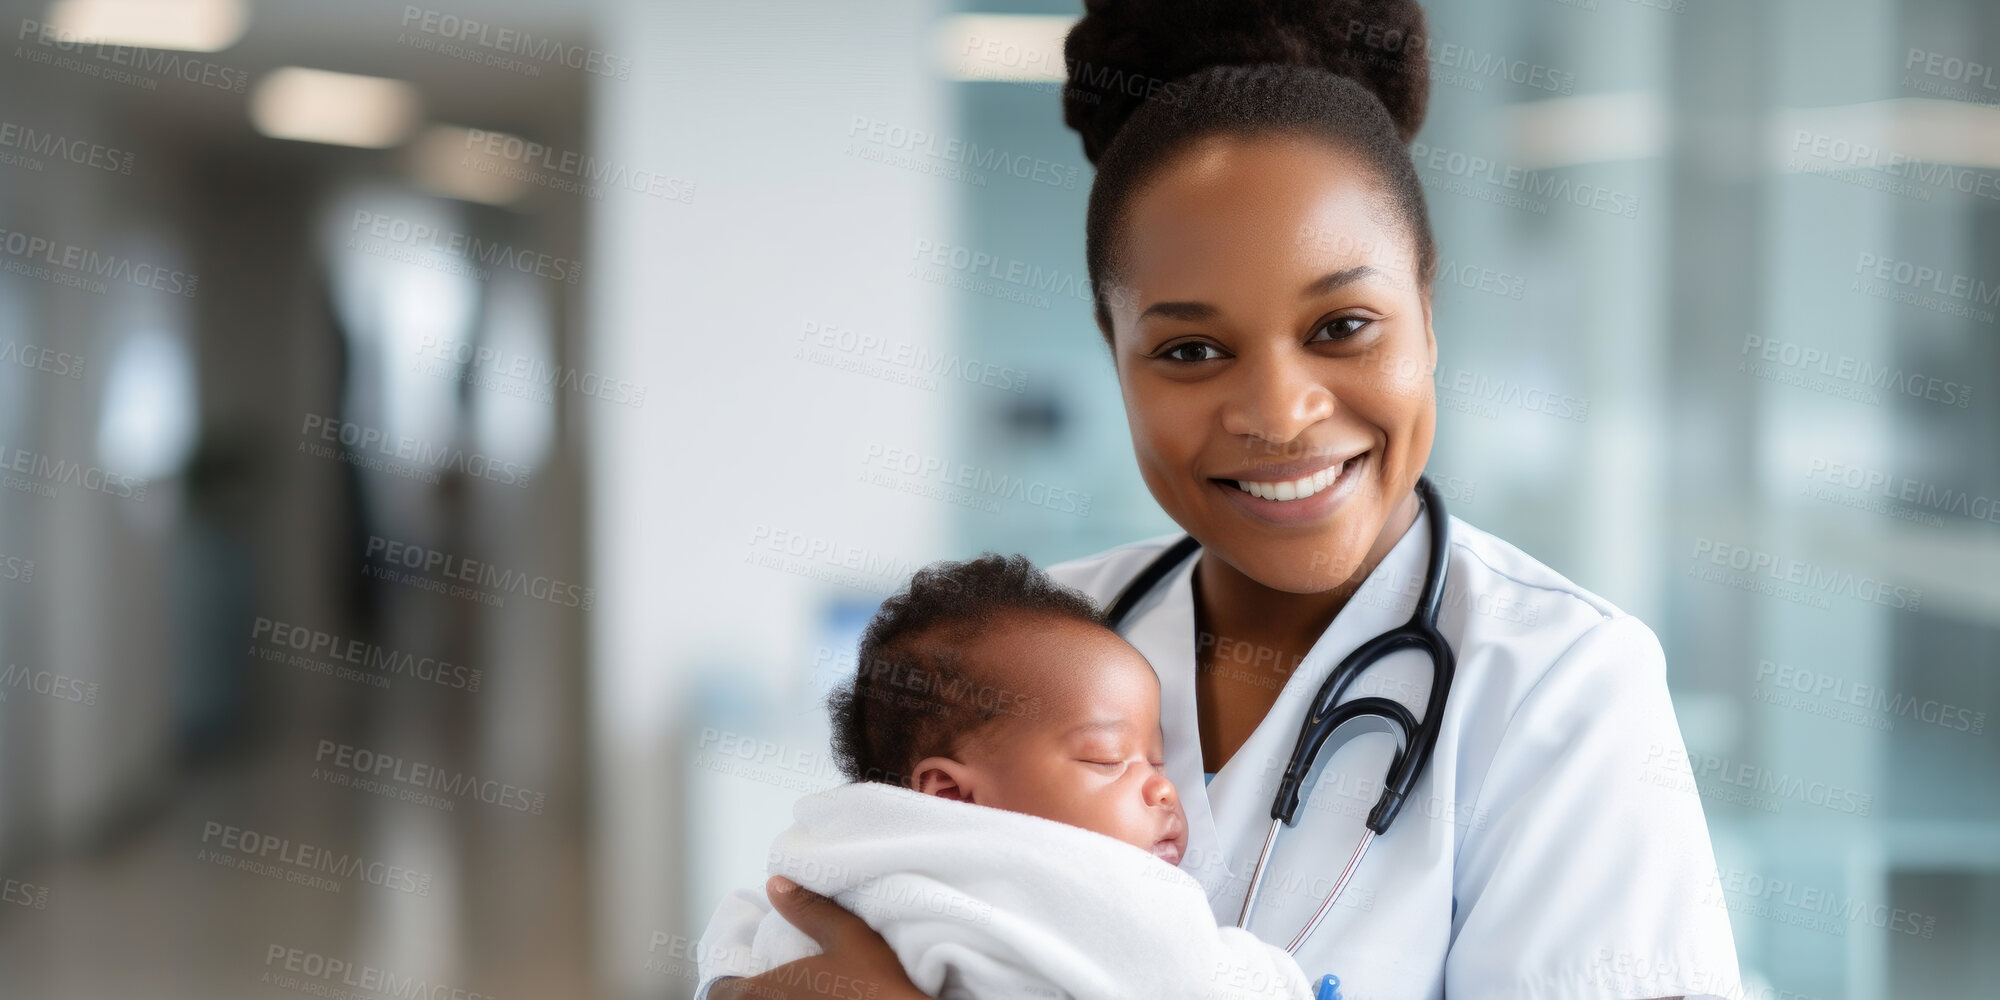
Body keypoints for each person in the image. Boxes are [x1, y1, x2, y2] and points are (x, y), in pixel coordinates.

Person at [710, 2, 1742, 999]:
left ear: (1425, 317)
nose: (1278, 413)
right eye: (1190, 349)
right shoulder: (1032, 644)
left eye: (1341, 325)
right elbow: (802, 932)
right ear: (1115, 357)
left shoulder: (1560, 686)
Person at [695, 555, 1313, 1000]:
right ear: (951, 795)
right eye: (1106, 760)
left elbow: (739, 933)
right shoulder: (1098, 896)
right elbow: (1205, 979)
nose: (1163, 789)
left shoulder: (835, 855)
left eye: (1157, 760)